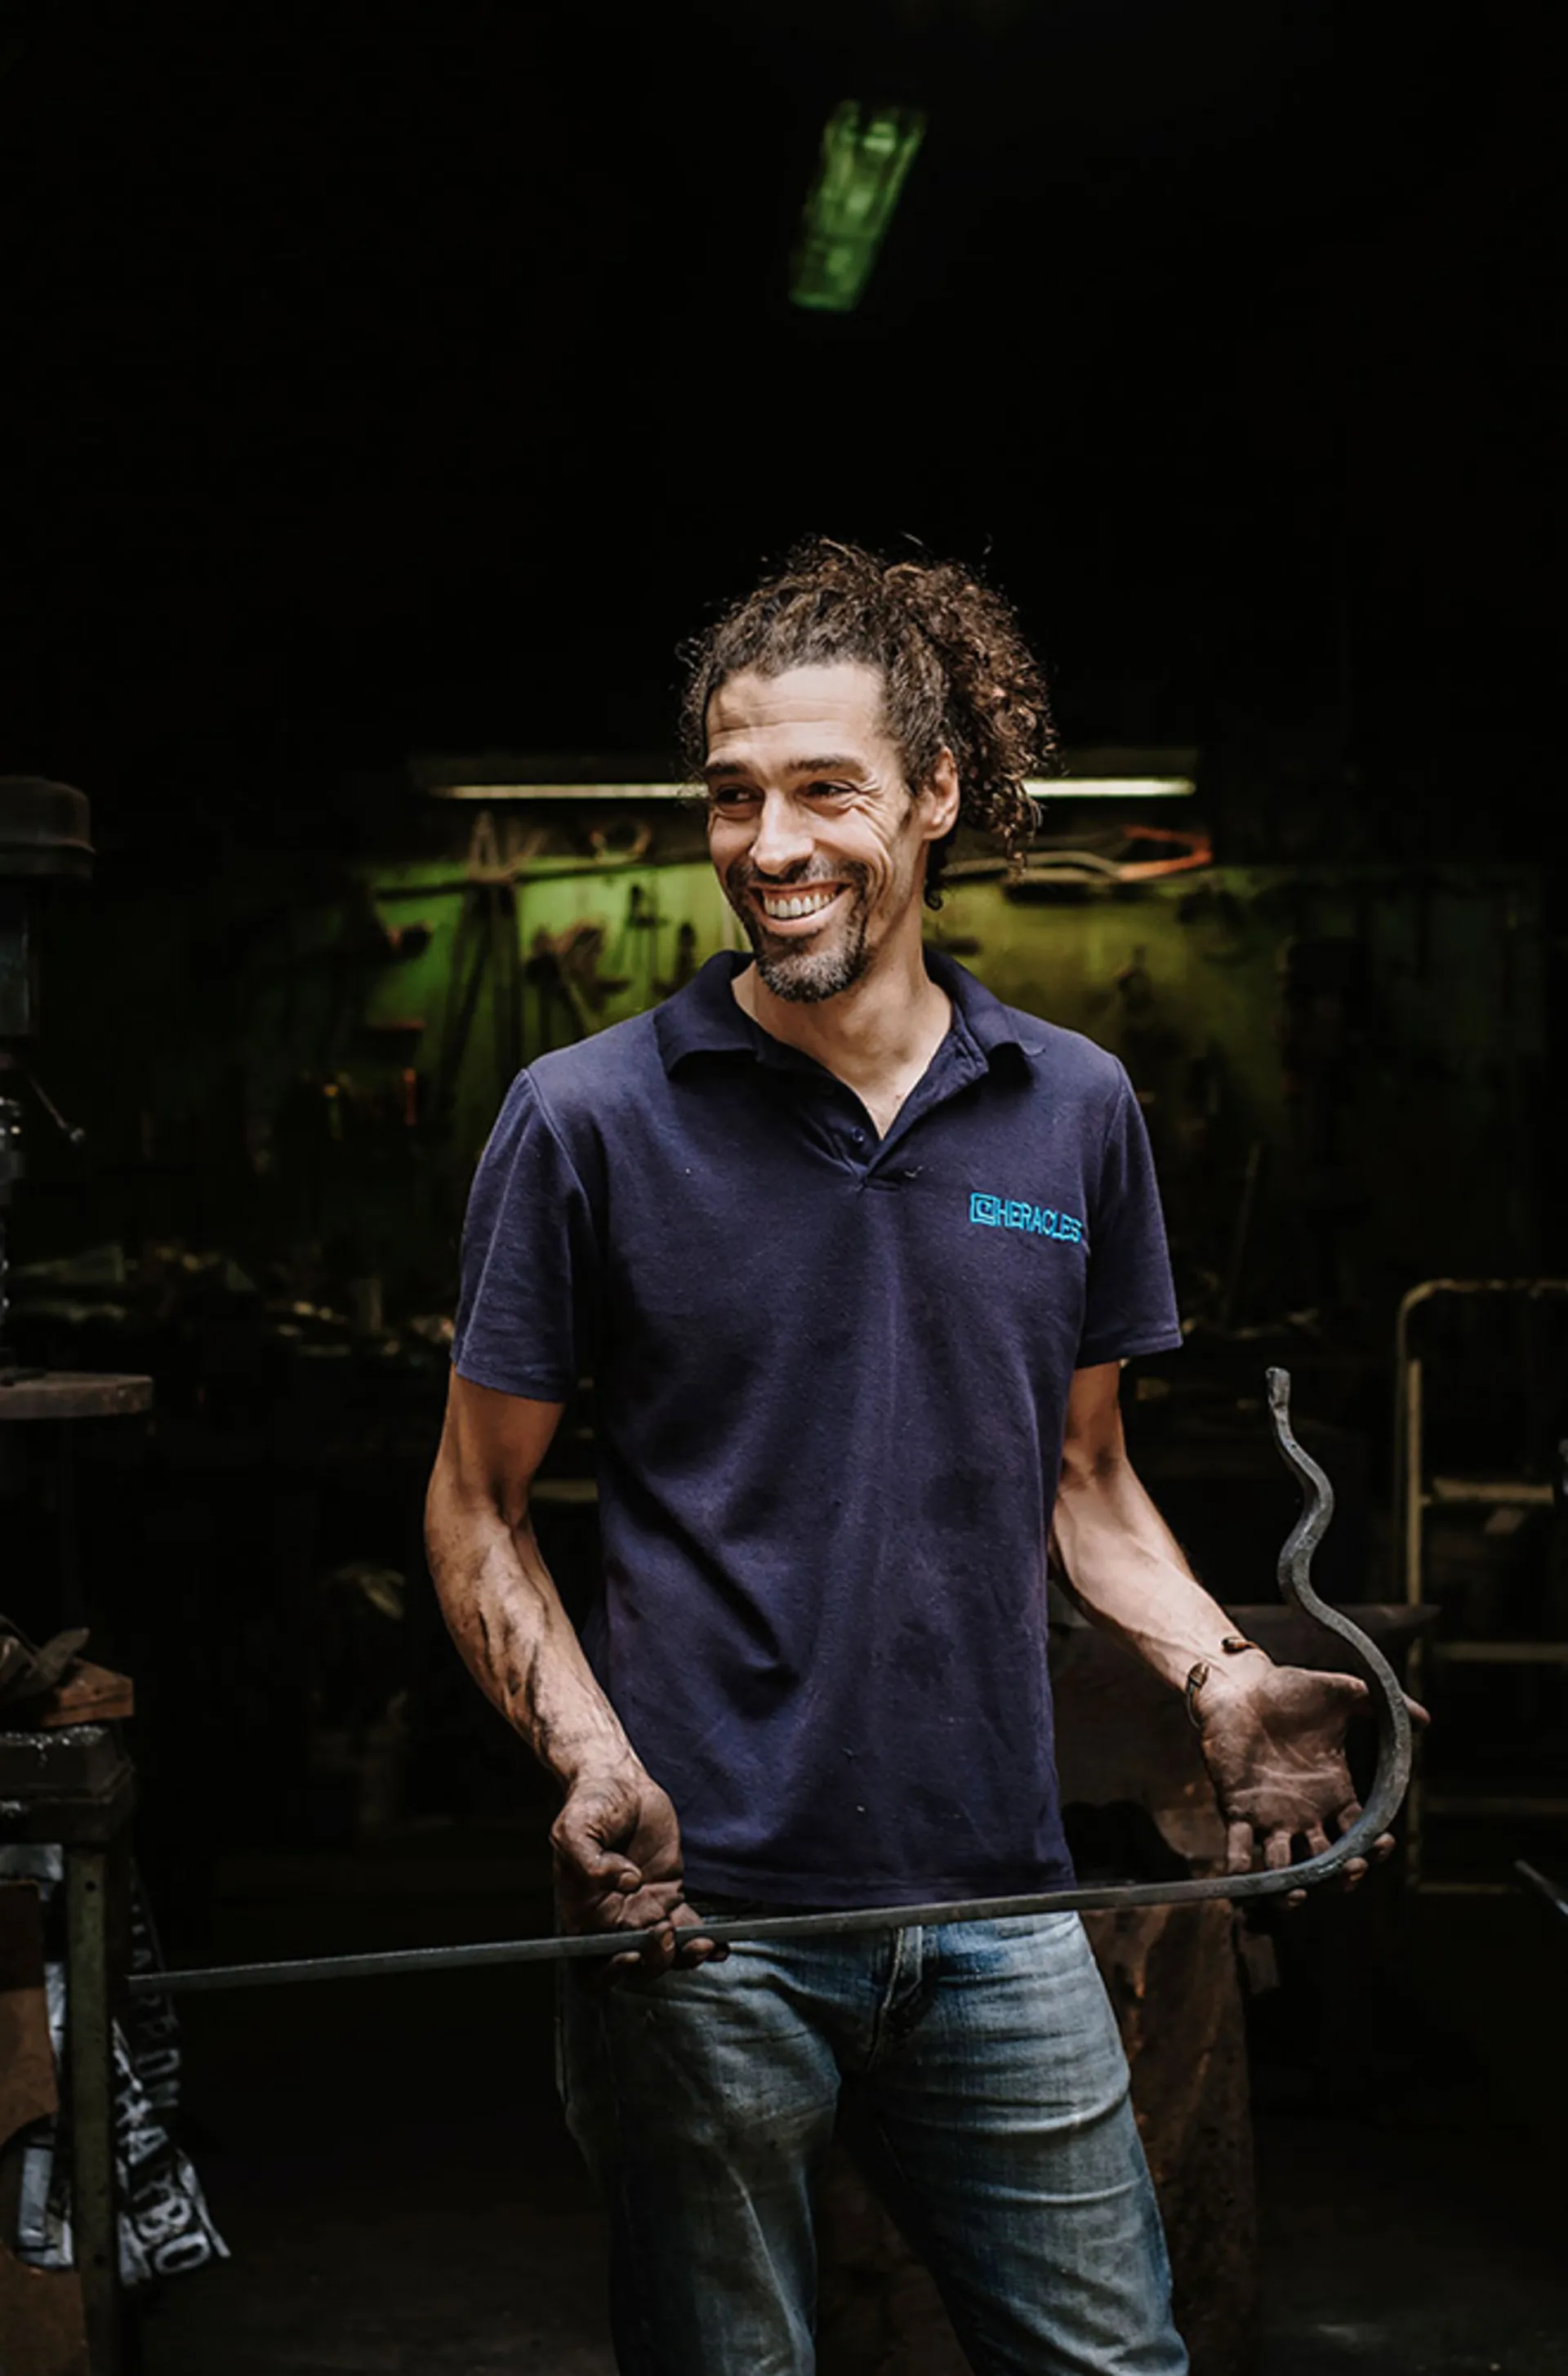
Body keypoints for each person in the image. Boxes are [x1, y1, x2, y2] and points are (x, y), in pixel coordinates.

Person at [425, 540, 1396, 2376]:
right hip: (701, 1925)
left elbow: (1083, 1478)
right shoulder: (585, 1123)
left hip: (1002, 1900)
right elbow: (477, 1503)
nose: (769, 843)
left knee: (1114, 2361)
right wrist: (589, 1752)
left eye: (824, 791)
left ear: (940, 795)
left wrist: (1220, 1672)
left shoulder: (1076, 1108)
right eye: (732, 794)